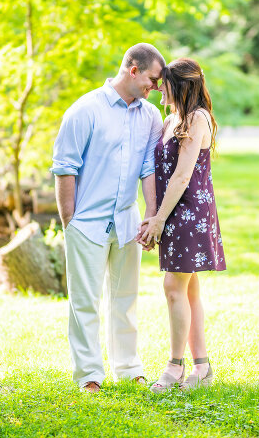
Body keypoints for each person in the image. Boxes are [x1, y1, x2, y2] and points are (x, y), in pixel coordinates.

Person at [51, 43, 165, 393]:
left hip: (127, 222)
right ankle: (89, 375)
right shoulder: (85, 110)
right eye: (152, 79)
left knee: (126, 298)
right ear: (133, 70)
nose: (156, 88)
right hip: (86, 223)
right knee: (85, 302)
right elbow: (64, 168)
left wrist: (151, 215)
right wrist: (69, 219)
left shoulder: (150, 116)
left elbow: (149, 168)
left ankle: (128, 368)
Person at [138, 57, 226, 392]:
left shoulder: (197, 118)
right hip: (171, 212)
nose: (159, 86)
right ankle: (202, 367)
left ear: (182, 85)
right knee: (187, 290)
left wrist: (158, 220)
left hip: (188, 213)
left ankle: (175, 366)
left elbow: (183, 174)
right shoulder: (171, 118)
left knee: (173, 288)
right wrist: (155, 216)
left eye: (165, 81)